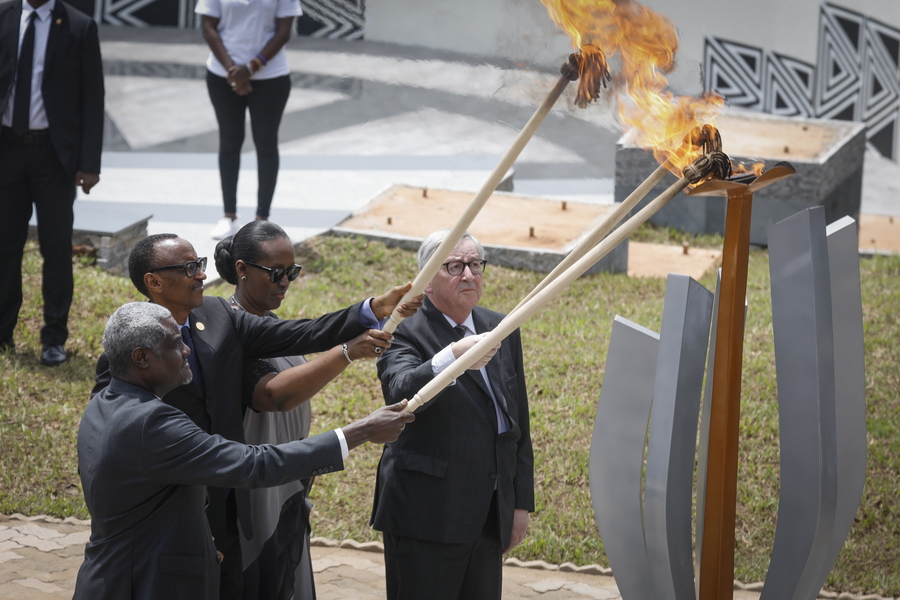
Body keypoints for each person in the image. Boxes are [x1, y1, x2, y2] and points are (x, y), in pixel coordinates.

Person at [92, 232, 422, 600]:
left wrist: (374, 307)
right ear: (154, 282)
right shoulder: (127, 355)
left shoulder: (218, 316)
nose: (201, 275)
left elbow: (301, 332)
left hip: (231, 508)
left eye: (199, 265)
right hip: (171, 525)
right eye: (189, 269)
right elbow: (104, 447)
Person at [214, 220, 384, 599]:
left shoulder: (271, 324)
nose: (285, 282)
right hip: (256, 493)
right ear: (241, 270)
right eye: (276, 273)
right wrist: (346, 353)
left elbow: (314, 337)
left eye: (291, 272)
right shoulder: (228, 332)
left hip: (290, 484)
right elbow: (273, 396)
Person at [372, 229, 534, 600]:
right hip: (426, 515)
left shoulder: (500, 326)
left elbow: (516, 421)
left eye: (476, 264)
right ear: (427, 282)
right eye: (455, 266)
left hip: (489, 514)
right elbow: (399, 393)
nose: (469, 275)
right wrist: (452, 358)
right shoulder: (401, 329)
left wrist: (519, 503)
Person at [0, 0, 104, 365]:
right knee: (5, 246)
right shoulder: (4, 16)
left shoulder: (79, 26)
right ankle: (3, 334)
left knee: (56, 249)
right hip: (7, 151)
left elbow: (93, 96)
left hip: (53, 157)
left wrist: (89, 163)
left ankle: (54, 338)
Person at [195, 0, 300, 239]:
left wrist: (251, 68)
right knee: (230, 143)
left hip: (271, 77)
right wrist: (234, 71)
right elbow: (208, 27)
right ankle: (228, 215)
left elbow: (284, 31)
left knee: (266, 144)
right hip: (223, 75)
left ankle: (262, 219)